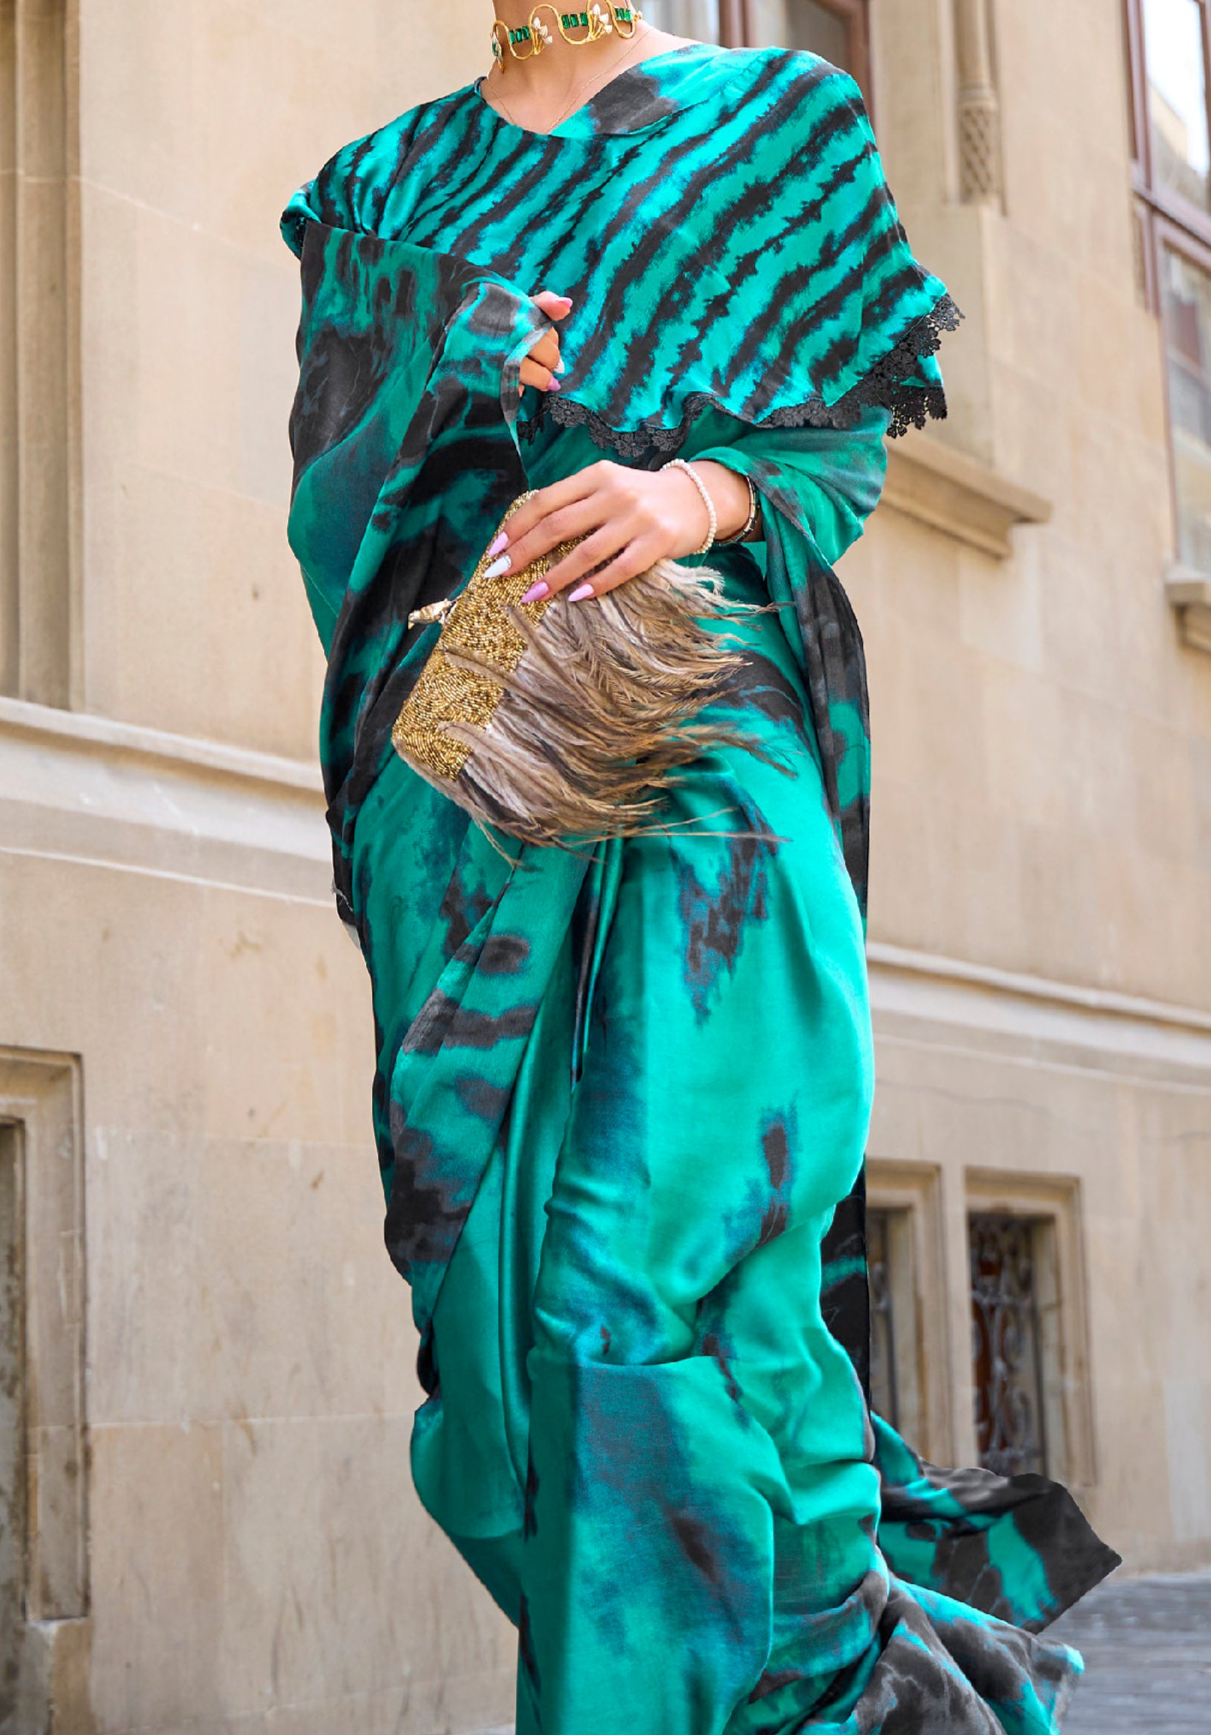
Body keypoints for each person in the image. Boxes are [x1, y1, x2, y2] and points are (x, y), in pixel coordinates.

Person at [280, 10, 1120, 1732]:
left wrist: (695, 496)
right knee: (501, 1351)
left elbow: (842, 447)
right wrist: (452, 363)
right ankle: (846, 1677)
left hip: (708, 762)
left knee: (630, 1279)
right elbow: (330, 511)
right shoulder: (383, 181)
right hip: (468, 786)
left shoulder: (776, 115)